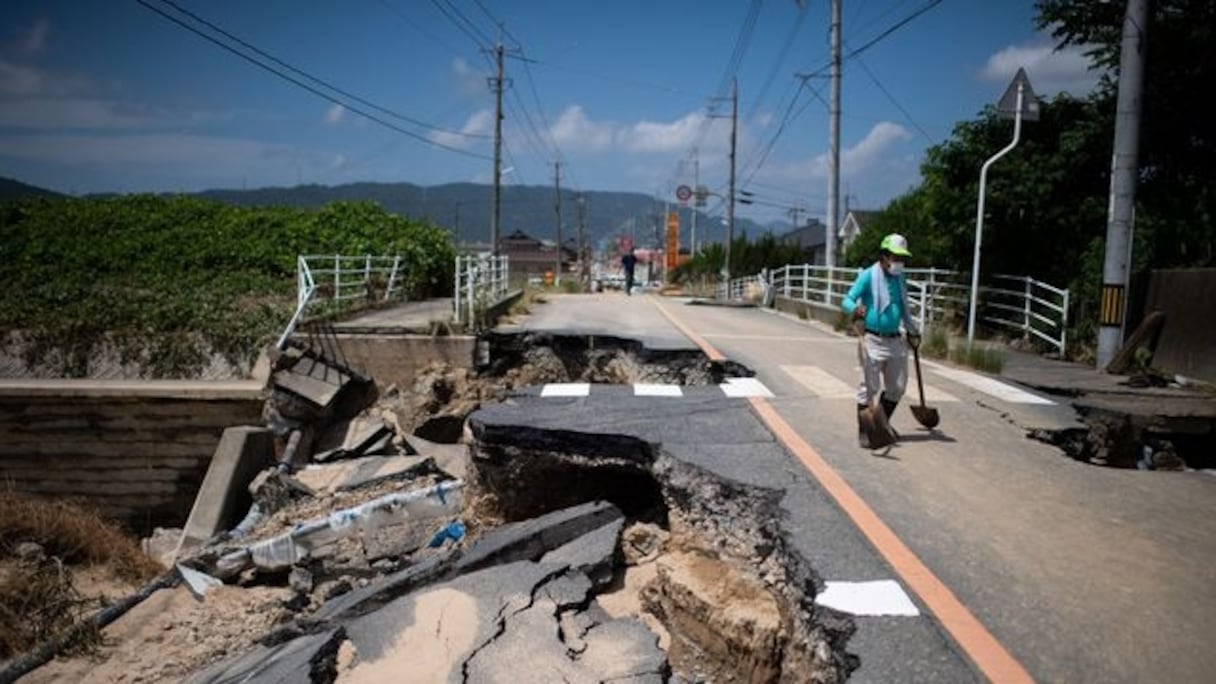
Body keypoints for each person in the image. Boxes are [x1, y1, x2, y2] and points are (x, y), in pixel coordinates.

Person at [840, 233, 921, 448]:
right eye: (896, 257)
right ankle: (866, 432)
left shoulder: (899, 278)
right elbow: (846, 299)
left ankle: (881, 424)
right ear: (884, 256)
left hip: (895, 339)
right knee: (868, 388)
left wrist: (912, 330)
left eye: (902, 258)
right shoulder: (868, 276)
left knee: (897, 387)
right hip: (873, 339)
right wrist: (855, 308)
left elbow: (903, 307)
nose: (899, 263)